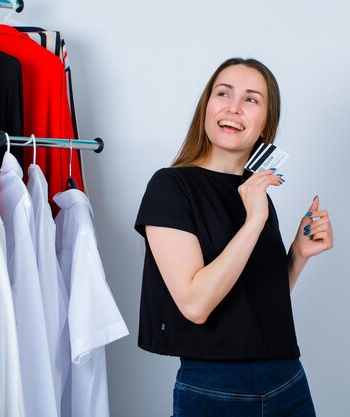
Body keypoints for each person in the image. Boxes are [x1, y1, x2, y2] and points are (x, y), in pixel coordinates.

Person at [134, 57, 333, 417]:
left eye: (251, 99)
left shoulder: (258, 195)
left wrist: (297, 255)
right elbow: (196, 305)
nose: (233, 108)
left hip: (288, 379)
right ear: (207, 106)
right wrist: (254, 220)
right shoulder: (170, 186)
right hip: (214, 388)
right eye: (223, 93)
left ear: (265, 123)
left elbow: (255, 300)